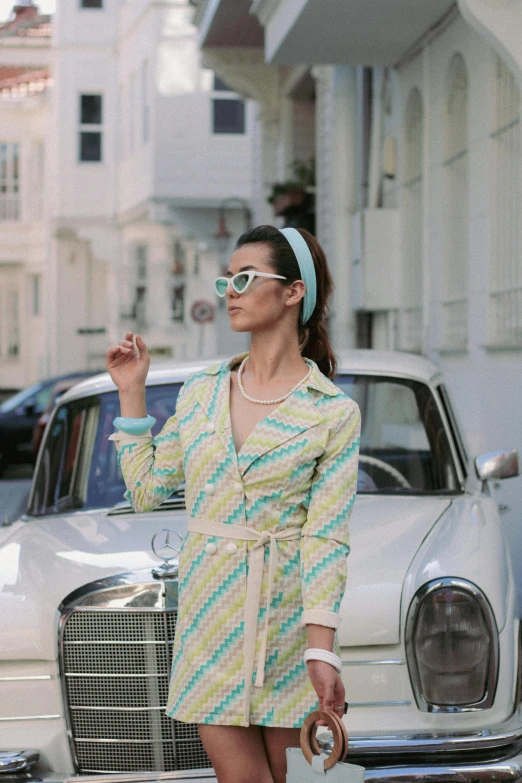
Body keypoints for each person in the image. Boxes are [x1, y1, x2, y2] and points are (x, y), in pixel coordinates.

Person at [106, 225, 361, 783]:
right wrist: (131, 391)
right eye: (228, 279)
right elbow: (148, 488)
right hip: (210, 624)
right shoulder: (201, 393)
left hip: (289, 626)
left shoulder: (331, 412)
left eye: (245, 278)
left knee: (293, 780)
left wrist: (323, 651)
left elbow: (327, 537)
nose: (230, 291)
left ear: (293, 292)